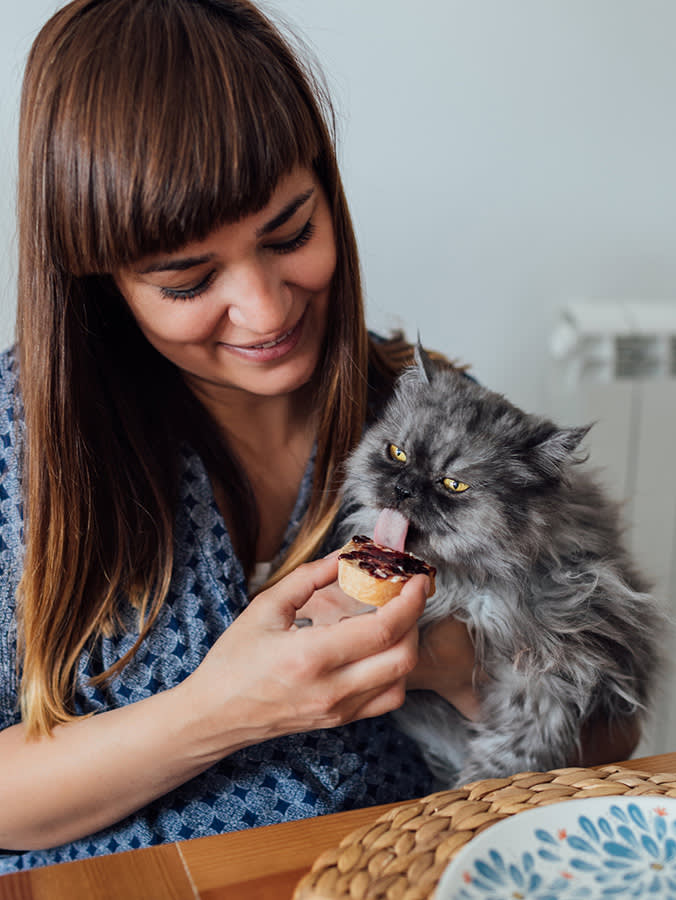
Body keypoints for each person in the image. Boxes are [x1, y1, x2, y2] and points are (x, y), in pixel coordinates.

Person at [0, 0, 637, 874]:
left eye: (291, 233)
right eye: (189, 280)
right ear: (98, 281)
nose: (265, 310)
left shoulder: (434, 416)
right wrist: (222, 710)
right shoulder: (18, 452)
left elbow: (606, 741)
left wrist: (453, 664)